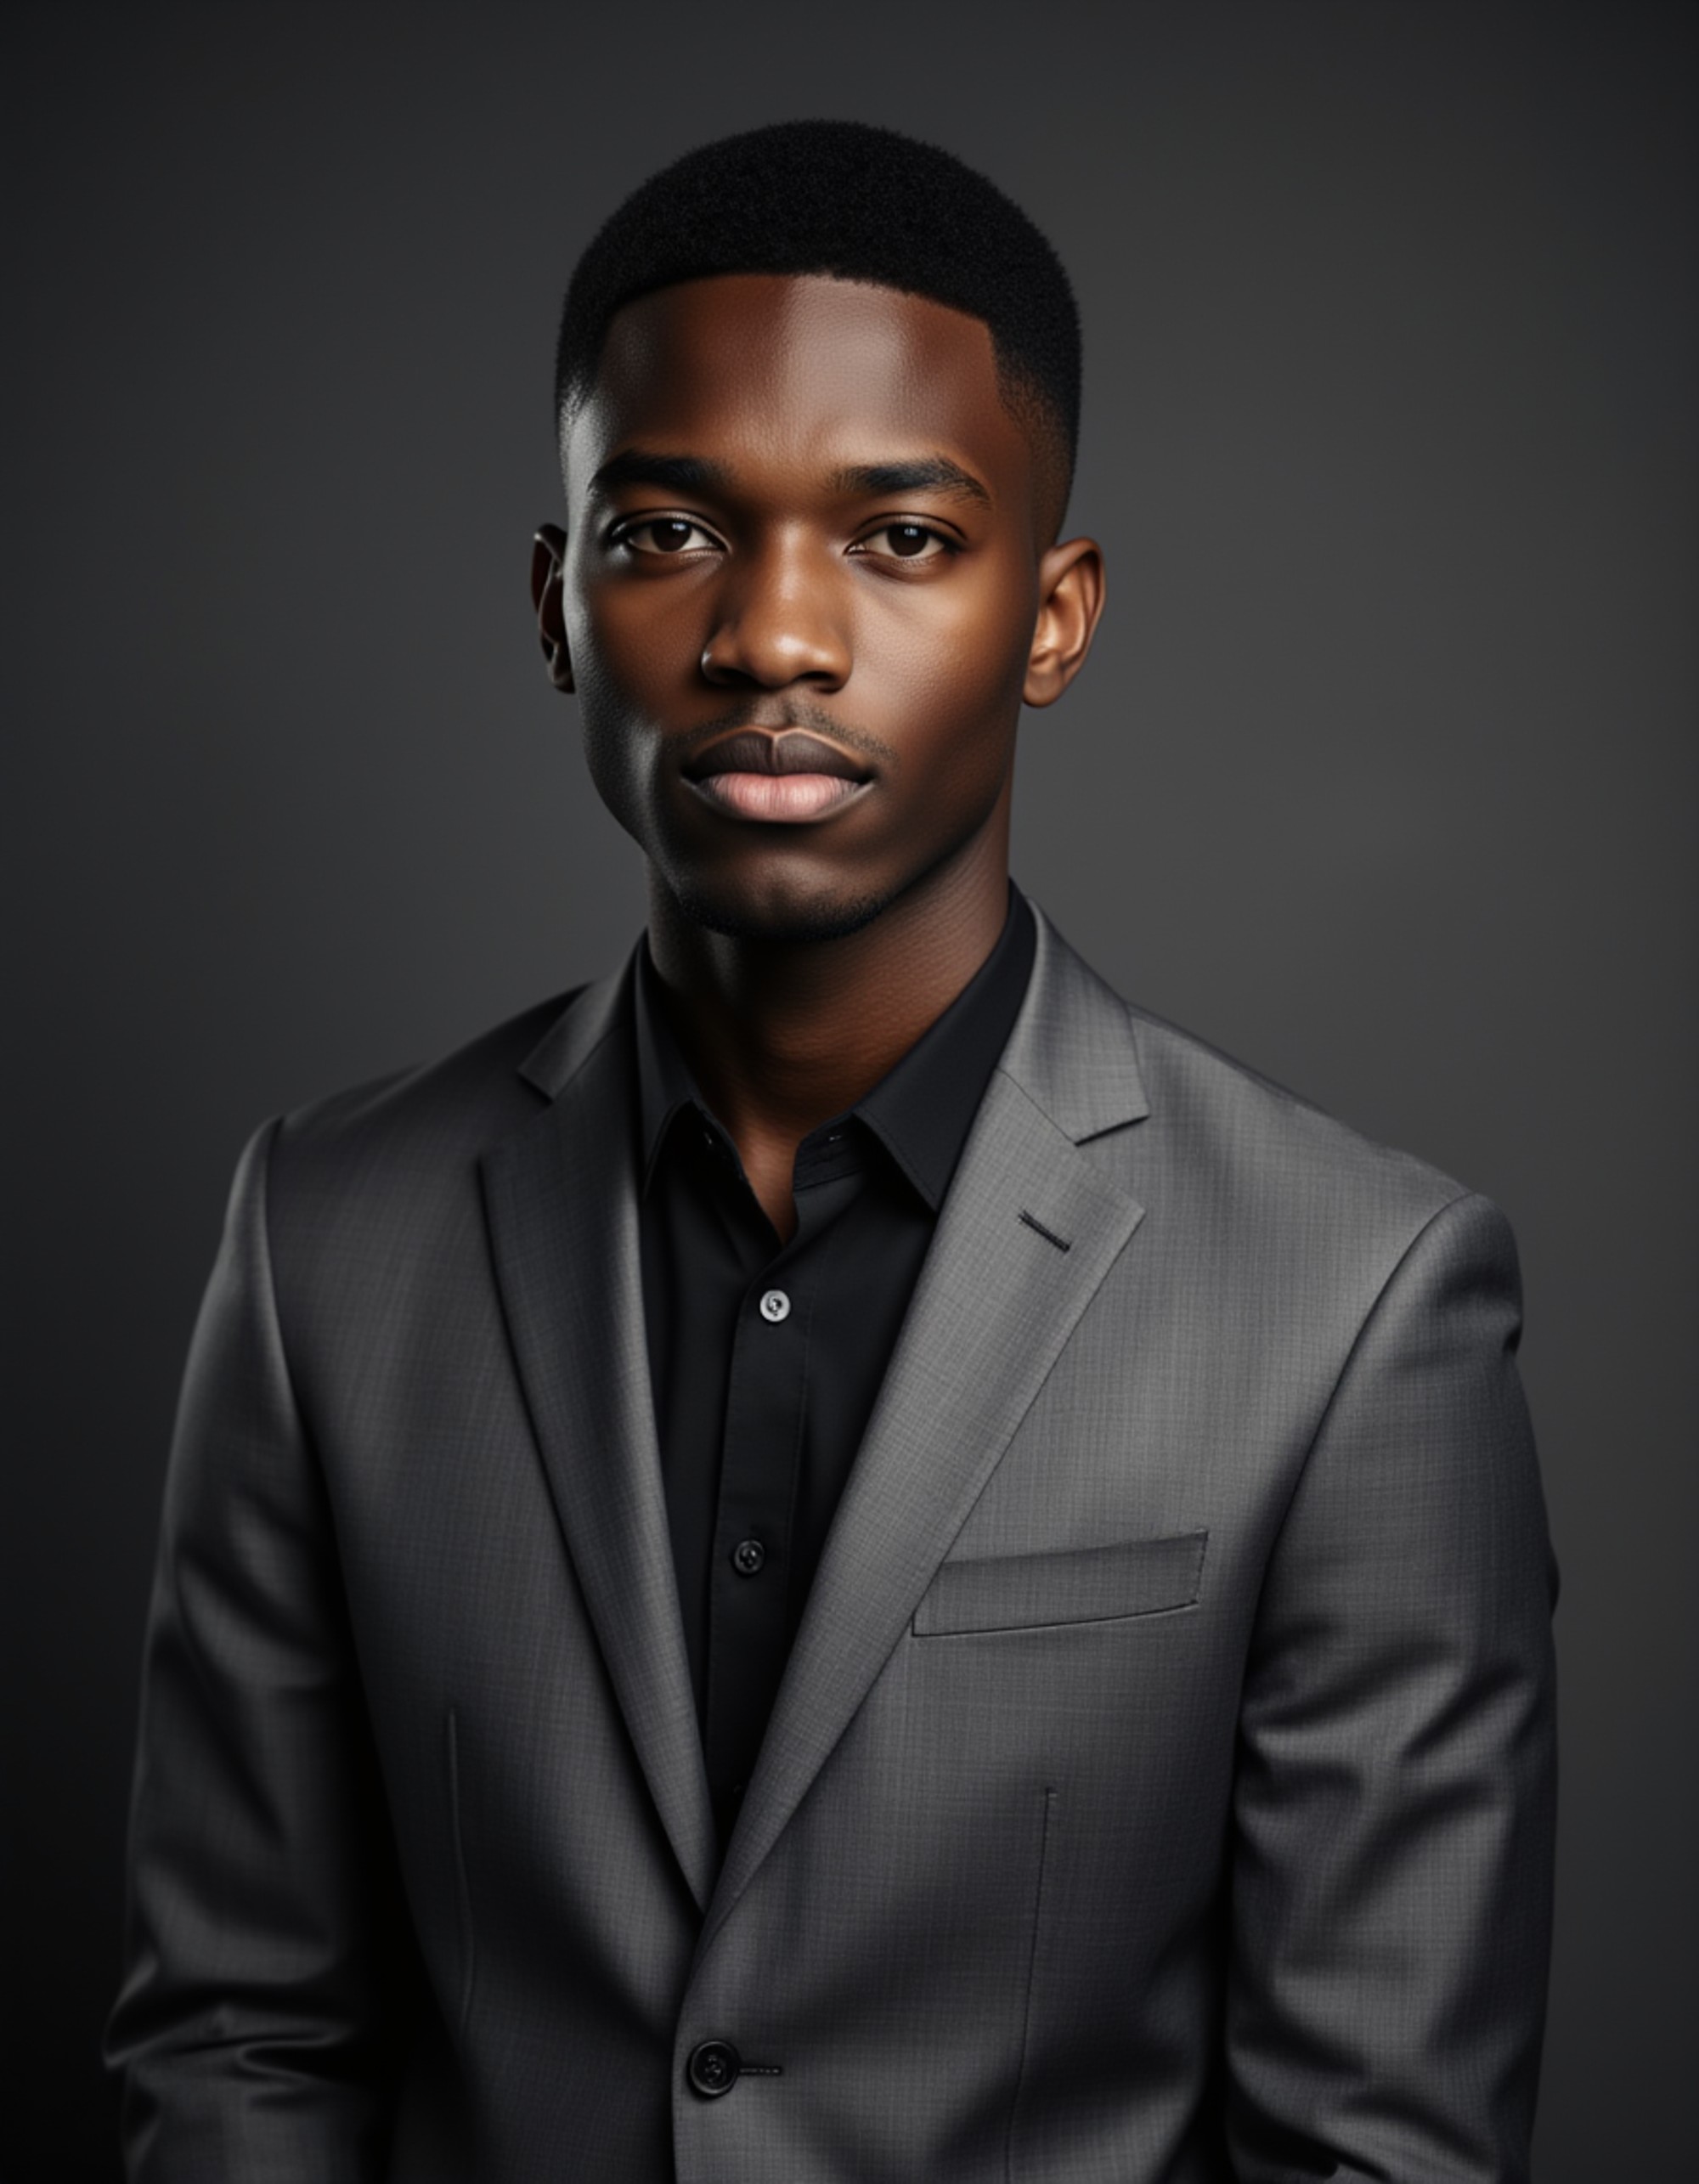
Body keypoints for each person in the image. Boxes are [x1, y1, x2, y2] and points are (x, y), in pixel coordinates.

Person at [106, 120, 1557, 2182]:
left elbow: (1375, 2146)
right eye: (665, 527)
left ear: (1052, 616)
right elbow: (241, 2035)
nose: (772, 634)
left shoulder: (1353, 1302)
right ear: (555, 603)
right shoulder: (324, 1239)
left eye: (899, 536)